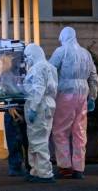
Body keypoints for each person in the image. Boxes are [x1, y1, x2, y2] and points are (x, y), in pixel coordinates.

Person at [49, 27, 98, 179]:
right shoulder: (86, 54)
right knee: (79, 131)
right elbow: (94, 76)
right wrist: (93, 97)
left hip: (65, 93)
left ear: (63, 37)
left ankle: (65, 167)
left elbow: (49, 71)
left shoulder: (61, 51)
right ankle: (79, 169)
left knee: (60, 130)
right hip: (82, 94)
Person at [23, 44, 58, 183]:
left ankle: (45, 174)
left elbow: (38, 89)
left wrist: (33, 107)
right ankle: (36, 171)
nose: (26, 60)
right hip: (46, 105)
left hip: (38, 106)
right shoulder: (49, 67)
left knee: (39, 141)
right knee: (36, 139)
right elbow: (53, 89)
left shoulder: (38, 68)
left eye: (27, 56)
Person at [4, 108, 29, 176]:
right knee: (16, 140)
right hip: (21, 106)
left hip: (22, 106)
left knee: (16, 140)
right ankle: (17, 167)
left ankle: (17, 167)